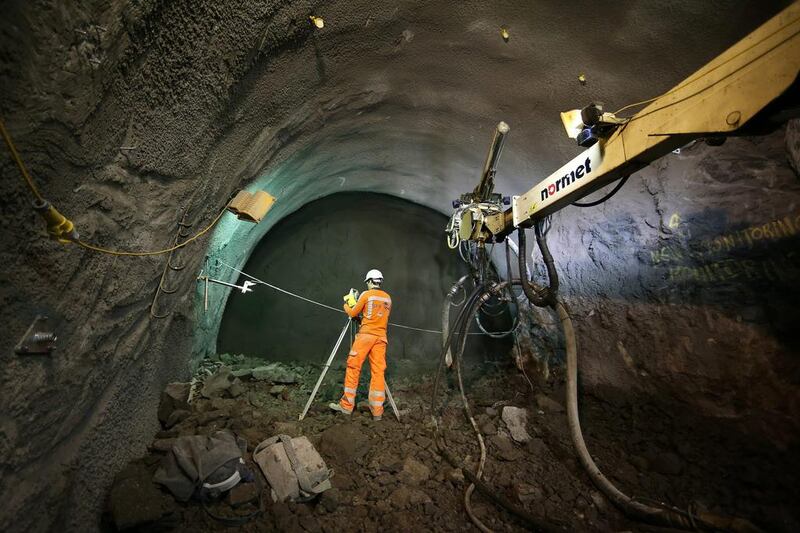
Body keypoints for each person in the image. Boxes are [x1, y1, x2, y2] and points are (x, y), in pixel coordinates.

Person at [329, 269, 392, 421]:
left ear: (370, 281)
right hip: (381, 338)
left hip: (366, 336)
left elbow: (352, 313)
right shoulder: (388, 298)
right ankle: (377, 412)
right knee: (378, 372)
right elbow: (376, 316)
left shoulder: (366, 295)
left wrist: (346, 304)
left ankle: (346, 406)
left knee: (353, 366)